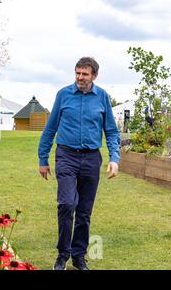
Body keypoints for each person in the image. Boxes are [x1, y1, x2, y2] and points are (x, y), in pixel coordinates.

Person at [38, 57, 120, 270]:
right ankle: (62, 255)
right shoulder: (63, 94)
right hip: (66, 156)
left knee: (84, 211)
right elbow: (50, 128)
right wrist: (43, 159)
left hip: (92, 158)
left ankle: (79, 256)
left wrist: (114, 158)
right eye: (77, 73)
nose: (80, 78)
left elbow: (111, 130)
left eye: (84, 74)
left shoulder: (102, 97)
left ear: (94, 75)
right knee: (67, 204)